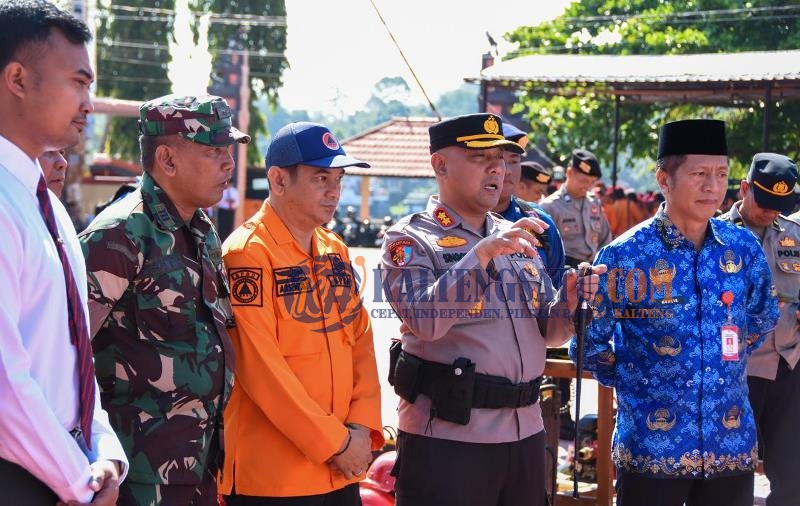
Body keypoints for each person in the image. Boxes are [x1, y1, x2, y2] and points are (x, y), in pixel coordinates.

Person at [381, 113, 604, 506]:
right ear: (440, 165)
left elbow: (548, 332)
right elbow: (425, 320)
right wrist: (480, 255)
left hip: (526, 433)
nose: (497, 168)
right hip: (449, 439)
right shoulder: (411, 239)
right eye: (479, 156)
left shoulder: (517, 234)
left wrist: (567, 302)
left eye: (500, 158)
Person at [574, 119, 779, 506]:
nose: (712, 186)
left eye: (721, 174)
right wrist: (640, 380)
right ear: (664, 179)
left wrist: (721, 361)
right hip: (653, 449)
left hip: (728, 443)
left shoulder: (743, 249)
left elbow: (762, 316)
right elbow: (588, 342)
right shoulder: (625, 255)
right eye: (699, 174)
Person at [79, 94, 249, 505]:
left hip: (198, 464)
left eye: (228, 150)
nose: (229, 163)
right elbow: (64, 351)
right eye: (213, 151)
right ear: (168, 160)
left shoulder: (202, 230)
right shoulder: (121, 234)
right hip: (135, 475)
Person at [0, 1, 128, 504]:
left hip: (65, 473)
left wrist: (104, 455)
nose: (89, 103)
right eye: (78, 81)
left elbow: (72, 356)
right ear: (17, 78)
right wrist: (79, 480)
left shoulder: (47, 209)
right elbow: (6, 384)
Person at [219, 121, 383, 505]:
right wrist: (335, 443)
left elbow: (360, 340)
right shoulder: (247, 253)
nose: (334, 192)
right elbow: (261, 368)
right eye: (320, 178)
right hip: (275, 478)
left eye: (338, 179)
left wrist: (361, 428)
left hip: (341, 469)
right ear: (278, 180)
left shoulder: (334, 248)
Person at [718, 153, 800, 506]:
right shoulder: (715, 234)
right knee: (731, 471)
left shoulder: (795, 234)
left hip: (789, 366)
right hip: (738, 370)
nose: (769, 212)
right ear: (744, 187)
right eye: (764, 201)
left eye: (778, 205)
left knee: (793, 473)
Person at [494, 122, 566, 287]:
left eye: (514, 161)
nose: (507, 170)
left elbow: (556, 292)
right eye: (499, 159)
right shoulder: (462, 221)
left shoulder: (541, 223)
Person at [540, 148, 612, 267]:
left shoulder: (594, 203)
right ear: (569, 173)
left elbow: (605, 239)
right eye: (583, 181)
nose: (587, 187)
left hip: (593, 269)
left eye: (592, 182)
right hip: (564, 272)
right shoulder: (550, 206)